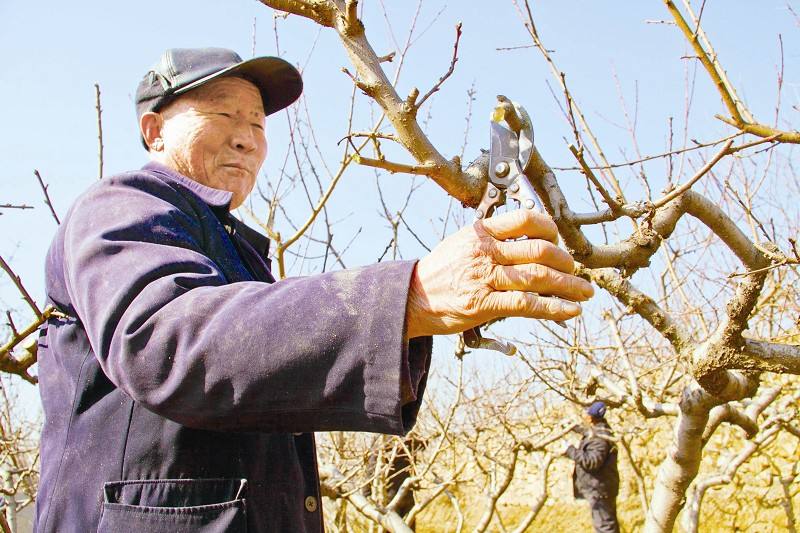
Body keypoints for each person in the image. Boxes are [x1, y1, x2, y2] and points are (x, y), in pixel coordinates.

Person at [33, 47, 594, 532]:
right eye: (223, 113)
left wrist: (414, 313)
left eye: (258, 123)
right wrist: (410, 295)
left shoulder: (234, 248)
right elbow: (165, 341)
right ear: (154, 130)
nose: (246, 137)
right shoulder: (121, 205)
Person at [565, 401, 620, 533]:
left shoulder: (599, 438)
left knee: (605, 528)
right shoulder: (602, 431)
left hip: (599, 489)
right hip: (603, 488)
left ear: (590, 417)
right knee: (608, 524)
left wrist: (569, 450)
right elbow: (590, 433)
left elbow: (592, 462)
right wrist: (573, 427)